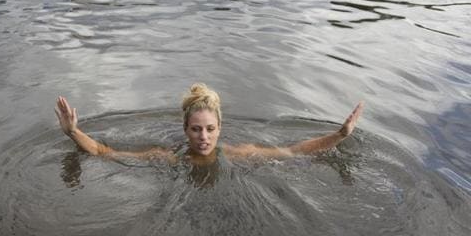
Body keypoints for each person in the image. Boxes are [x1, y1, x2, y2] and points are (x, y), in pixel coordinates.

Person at [55, 83, 364, 165]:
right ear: (185, 130)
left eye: (210, 129)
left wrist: (339, 134)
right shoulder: (168, 157)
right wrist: (73, 132)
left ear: (220, 128)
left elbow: (294, 151)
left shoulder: (238, 153)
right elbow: (104, 152)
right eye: (196, 129)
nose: (203, 137)